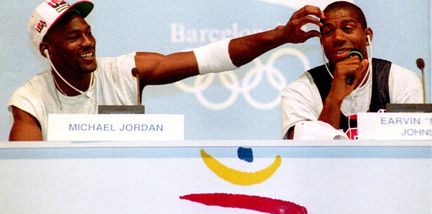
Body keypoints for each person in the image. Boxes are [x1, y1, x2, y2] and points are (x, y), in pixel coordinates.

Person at [8, 0, 324, 141]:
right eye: (74, 37)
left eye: (88, 32)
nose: (88, 42)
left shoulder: (124, 70)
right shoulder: (30, 100)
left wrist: (280, 35)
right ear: (46, 49)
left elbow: (209, 58)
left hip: (133, 194)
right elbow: (30, 170)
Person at [281, 1, 423, 139]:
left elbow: (413, 149)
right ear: (322, 42)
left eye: (347, 28)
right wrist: (335, 96)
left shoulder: (401, 80)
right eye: (328, 32)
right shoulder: (300, 90)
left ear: (367, 36)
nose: (338, 38)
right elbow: (305, 156)